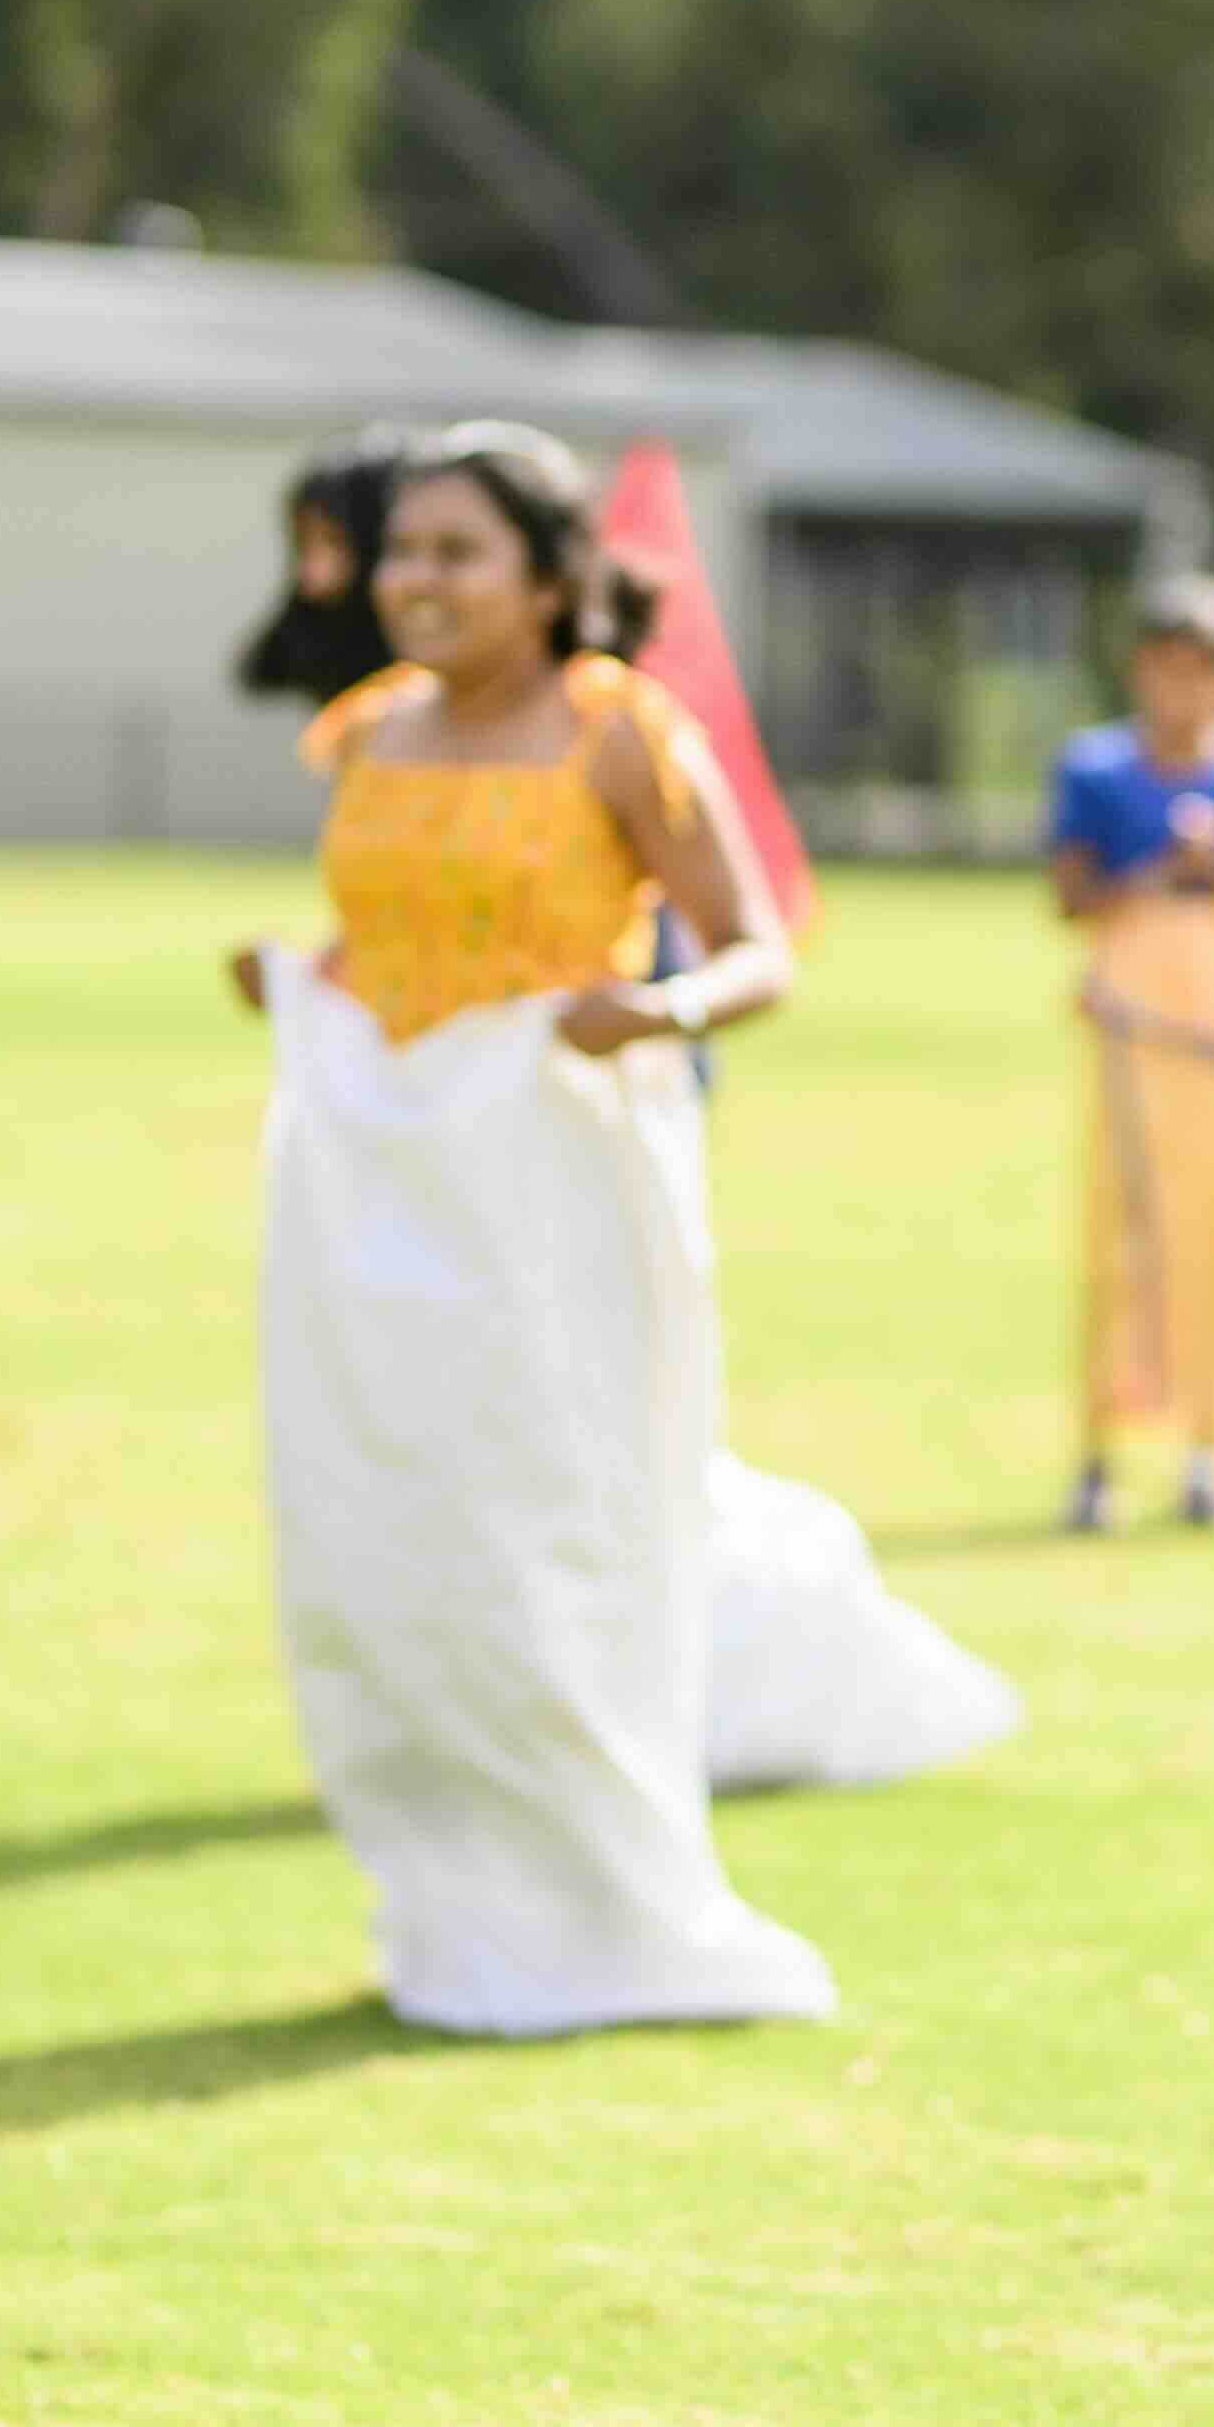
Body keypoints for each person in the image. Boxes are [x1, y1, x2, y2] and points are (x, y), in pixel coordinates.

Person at [229, 420, 839, 2032]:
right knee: (389, 1529)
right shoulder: (368, 734)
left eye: (457, 552)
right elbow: (389, 941)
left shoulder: (616, 731)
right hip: (377, 1194)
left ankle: (609, 1891)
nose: (416, 581)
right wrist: (304, 979)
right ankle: (453, 1891)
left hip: (559, 1183)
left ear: (552, 574)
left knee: (551, 1526)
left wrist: (662, 1009)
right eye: (403, 551)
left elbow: (754, 943)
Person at [1046, 576, 1214, 1533]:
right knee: (1125, 1229)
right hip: (1134, 1021)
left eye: (1204, 673)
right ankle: (1101, 1451)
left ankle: (1208, 1447)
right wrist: (1159, 872)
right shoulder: (1097, 768)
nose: (1183, 693)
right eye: (1167, 671)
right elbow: (1070, 897)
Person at [232, 432, 419, 706]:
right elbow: (261, 672)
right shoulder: (318, 616)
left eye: (333, 542)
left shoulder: (420, 643)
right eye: (304, 542)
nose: (314, 568)